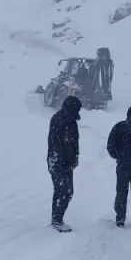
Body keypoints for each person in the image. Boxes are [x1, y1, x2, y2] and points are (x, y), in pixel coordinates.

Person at [47, 95, 82, 231]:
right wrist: (70, 159)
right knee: (65, 191)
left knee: (61, 190)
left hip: (58, 160)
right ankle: (57, 220)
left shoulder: (61, 118)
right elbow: (65, 143)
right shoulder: (65, 121)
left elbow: (71, 143)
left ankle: (56, 218)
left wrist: (74, 156)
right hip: (60, 161)